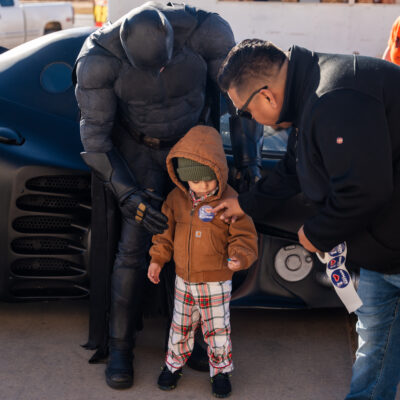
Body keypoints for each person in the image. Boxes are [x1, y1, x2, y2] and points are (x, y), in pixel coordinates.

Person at [73, 2, 263, 390]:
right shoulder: (98, 59)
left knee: (202, 238)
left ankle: (191, 341)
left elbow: (240, 103)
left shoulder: (206, 32)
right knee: (133, 246)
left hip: (193, 146)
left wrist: (247, 159)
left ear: (174, 40)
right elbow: (94, 140)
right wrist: (128, 195)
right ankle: (120, 346)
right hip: (137, 150)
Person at [214, 39, 400, 400]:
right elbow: (293, 168)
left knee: (377, 339)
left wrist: (317, 233)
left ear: (266, 96)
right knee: (375, 340)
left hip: (391, 238)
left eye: (245, 113)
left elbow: (366, 191)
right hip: (385, 247)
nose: (247, 120)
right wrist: (246, 203)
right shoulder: (310, 90)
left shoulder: (334, 101)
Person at [147, 125, 258, 398]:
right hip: (184, 279)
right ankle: (173, 366)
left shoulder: (230, 200)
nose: (203, 187)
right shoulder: (176, 200)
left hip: (217, 281)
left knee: (217, 330)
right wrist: (158, 260)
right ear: (185, 179)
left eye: (209, 180)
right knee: (180, 327)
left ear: (219, 173)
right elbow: (164, 233)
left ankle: (220, 372)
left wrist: (240, 257)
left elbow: (244, 236)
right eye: (196, 182)